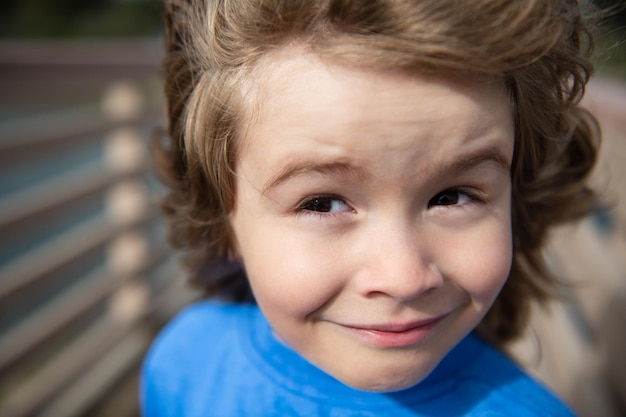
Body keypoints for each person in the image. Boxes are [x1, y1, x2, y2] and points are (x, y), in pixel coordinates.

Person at [141, 0, 601, 415]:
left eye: (452, 196)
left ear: (515, 199)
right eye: (322, 203)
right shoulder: (182, 362)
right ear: (223, 221)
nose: (403, 278)